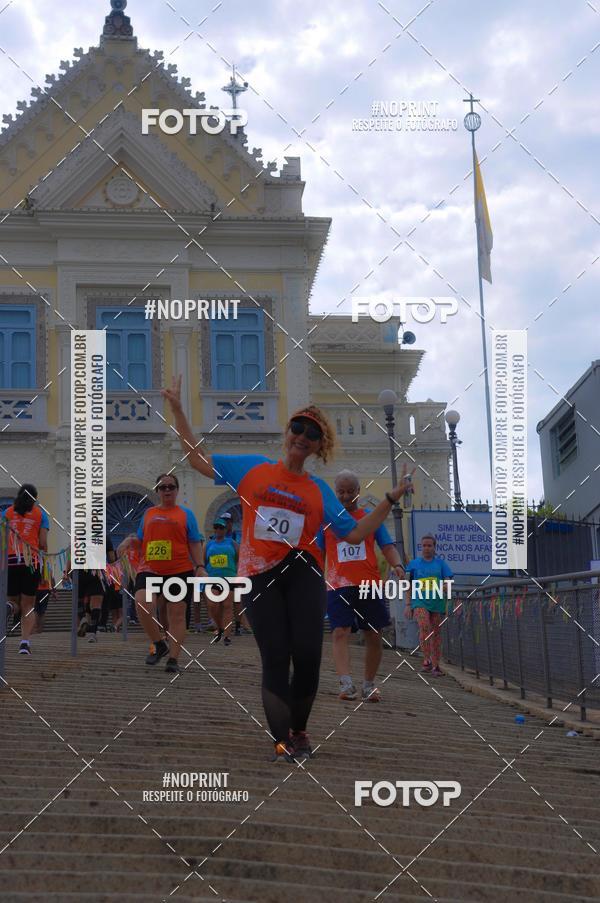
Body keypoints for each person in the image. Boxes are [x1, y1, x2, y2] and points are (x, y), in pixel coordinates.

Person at [162, 375, 414, 762]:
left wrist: (389, 500)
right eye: (298, 427)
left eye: (312, 433)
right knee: (276, 656)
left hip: (304, 571)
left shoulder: (318, 490)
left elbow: (355, 532)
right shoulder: (253, 469)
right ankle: (281, 740)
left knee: (309, 657)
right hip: (260, 575)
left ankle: (299, 731)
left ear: (318, 446)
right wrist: (179, 409)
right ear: (288, 432)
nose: (303, 436)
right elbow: (196, 458)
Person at [325, 470, 405, 703]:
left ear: (358, 492)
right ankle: (346, 683)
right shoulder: (328, 520)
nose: (346, 496)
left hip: (369, 584)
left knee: (374, 635)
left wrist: (398, 565)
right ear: (335, 492)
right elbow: (316, 553)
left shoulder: (370, 517)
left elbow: (387, 546)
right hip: (338, 585)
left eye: (350, 491)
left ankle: (369, 684)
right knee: (340, 631)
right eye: (341, 492)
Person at [118, 473, 206, 674]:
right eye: (163, 487)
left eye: (171, 487)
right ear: (157, 491)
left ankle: (173, 659)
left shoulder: (186, 514)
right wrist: (130, 541)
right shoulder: (148, 513)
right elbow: (141, 540)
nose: (167, 490)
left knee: (176, 614)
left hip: (179, 571)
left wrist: (200, 566)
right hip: (150, 569)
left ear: (177, 490)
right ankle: (159, 643)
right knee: (141, 602)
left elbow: (194, 542)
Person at [5, 484, 49, 656]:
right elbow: (43, 543)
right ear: (35, 497)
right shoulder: (40, 514)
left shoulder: (6, 513)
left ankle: (8, 607)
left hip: (10, 561)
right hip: (31, 562)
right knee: (28, 605)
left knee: (13, 601)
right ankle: (24, 643)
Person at [404, 533, 453, 677]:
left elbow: (448, 579)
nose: (426, 548)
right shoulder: (413, 564)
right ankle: (426, 659)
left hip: (437, 602)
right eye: (424, 545)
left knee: (436, 633)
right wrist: (408, 604)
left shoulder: (441, 564)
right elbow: (408, 584)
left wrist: (446, 585)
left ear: (434, 547)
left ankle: (436, 665)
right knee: (424, 626)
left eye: (429, 545)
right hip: (419, 601)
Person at [204, 518, 239, 646]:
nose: (218, 530)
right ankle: (219, 628)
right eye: (216, 527)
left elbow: (239, 559)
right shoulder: (208, 544)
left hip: (229, 578)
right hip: (213, 578)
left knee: (227, 606)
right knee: (213, 605)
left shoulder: (232, 543)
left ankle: (227, 636)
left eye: (221, 528)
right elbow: (203, 561)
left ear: (225, 530)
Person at [77, 536, 116, 643]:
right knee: (96, 604)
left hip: (80, 570)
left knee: (79, 600)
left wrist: (66, 571)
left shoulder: (81, 534)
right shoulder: (105, 537)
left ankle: (83, 618)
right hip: (97, 572)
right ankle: (92, 634)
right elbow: (112, 559)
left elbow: (72, 555)